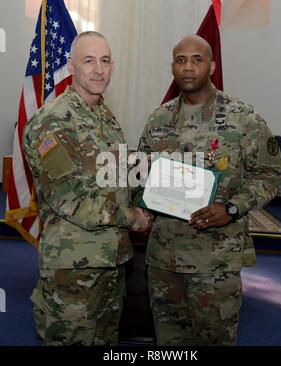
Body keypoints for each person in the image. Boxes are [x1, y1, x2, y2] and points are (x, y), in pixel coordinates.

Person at [137, 34, 281, 346]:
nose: (188, 67)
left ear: (212, 66)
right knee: (169, 343)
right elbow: (140, 178)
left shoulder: (242, 118)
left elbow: (271, 174)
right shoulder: (158, 120)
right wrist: (141, 206)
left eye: (197, 59)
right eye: (181, 60)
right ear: (173, 68)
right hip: (164, 259)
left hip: (215, 261)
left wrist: (231, 209)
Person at [23, 31, 151, 346]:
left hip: (110, 262)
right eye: (89, 61)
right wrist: (133, 217)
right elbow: (69, 198)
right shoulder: (52, 123)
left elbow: (114, 180)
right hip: (74, 271)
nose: (98, 69)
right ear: (71, 66)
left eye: (105, 61)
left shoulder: (105, 117)